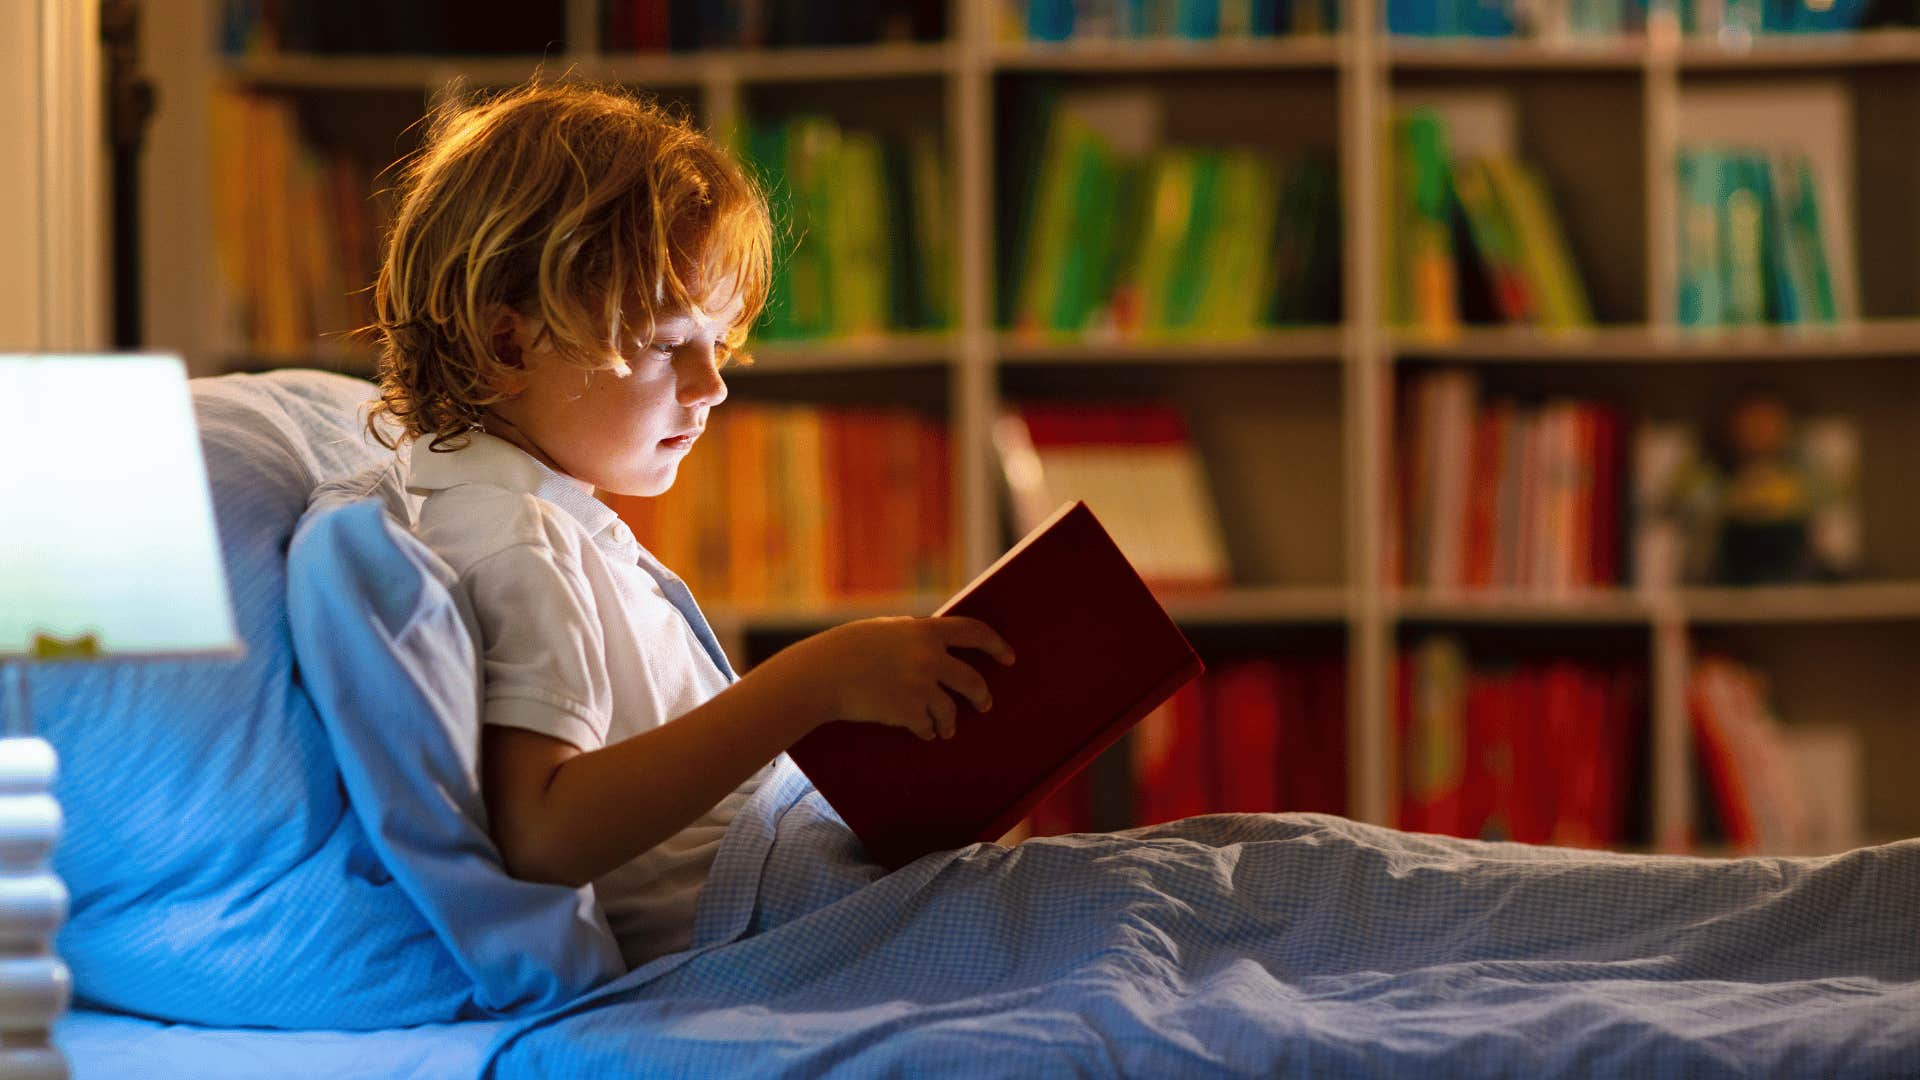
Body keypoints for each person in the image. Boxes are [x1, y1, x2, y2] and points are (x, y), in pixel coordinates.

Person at [355, 79, 1016, 968]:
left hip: (781, 879)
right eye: (669, 344)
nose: (714, 387)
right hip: (757, 916)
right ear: (508, 345)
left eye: (723, 344)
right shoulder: (515, 540)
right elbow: (543, 832)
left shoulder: (532, 513)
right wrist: (811, 685)